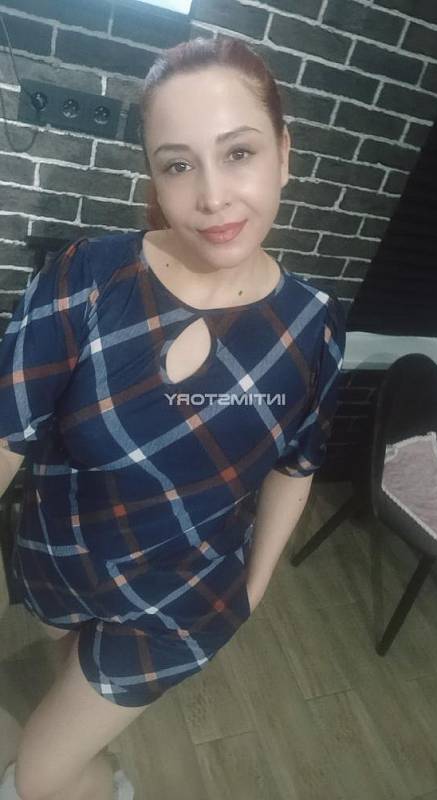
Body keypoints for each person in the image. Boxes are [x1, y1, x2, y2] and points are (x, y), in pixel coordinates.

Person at [0, 36, 346, 800]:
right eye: (179, 164)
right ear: (154, 176)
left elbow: (297, 464)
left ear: (284, 155)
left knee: (41, 779)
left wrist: (252, 590)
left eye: (239, 153)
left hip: (180, 599)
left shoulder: (312, 326)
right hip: (58, 563)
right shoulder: (85, 281)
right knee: (70, 690)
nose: (212, 197)